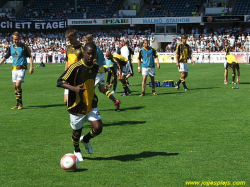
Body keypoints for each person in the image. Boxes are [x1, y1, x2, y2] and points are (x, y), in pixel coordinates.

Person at [57, 42, 103, 162]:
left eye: (93, 54)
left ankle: (86, 139)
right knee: (76, 132)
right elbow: (60, 81)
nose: (90, 57)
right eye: (88, 54)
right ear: (84, 53)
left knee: (98, 128)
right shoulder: (75, 67)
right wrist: (74, 89)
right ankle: (76, 150)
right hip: (76, 105)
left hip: (91, 103)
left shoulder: (95, 67)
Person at [84, 35, 121, 111]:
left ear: (88, 41)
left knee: (89, 89)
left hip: (96, 71)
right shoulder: (97, 48)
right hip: (101, 70)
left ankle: (89, 106)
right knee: (102, 90)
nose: (85, 44)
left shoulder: (93, 48)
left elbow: (95, 59)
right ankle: (115, 100)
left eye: (86, 42)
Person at [0, 31, 34, 109]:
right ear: (13, 39)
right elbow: (6, 57)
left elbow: (30, 56)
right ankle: (18, 103)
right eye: (15, 39)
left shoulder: (23, 46)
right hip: (14, 68)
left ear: (19, 39)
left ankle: (20, 104)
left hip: (22, 67)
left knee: (18, 84)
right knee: (15, 86)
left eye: (17, 39)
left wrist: (31, 67)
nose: (16, 41)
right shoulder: (11, 47)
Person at [64, 28, 84, 103]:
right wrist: (65, 74)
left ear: (76, 37)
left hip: (78, 76)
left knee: (77, 99)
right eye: (68, 40)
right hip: (69, 75)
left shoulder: (82, 47)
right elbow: (67, 61)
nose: (69, 41)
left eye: (71, 39)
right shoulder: (68, 47)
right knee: (66, 100)